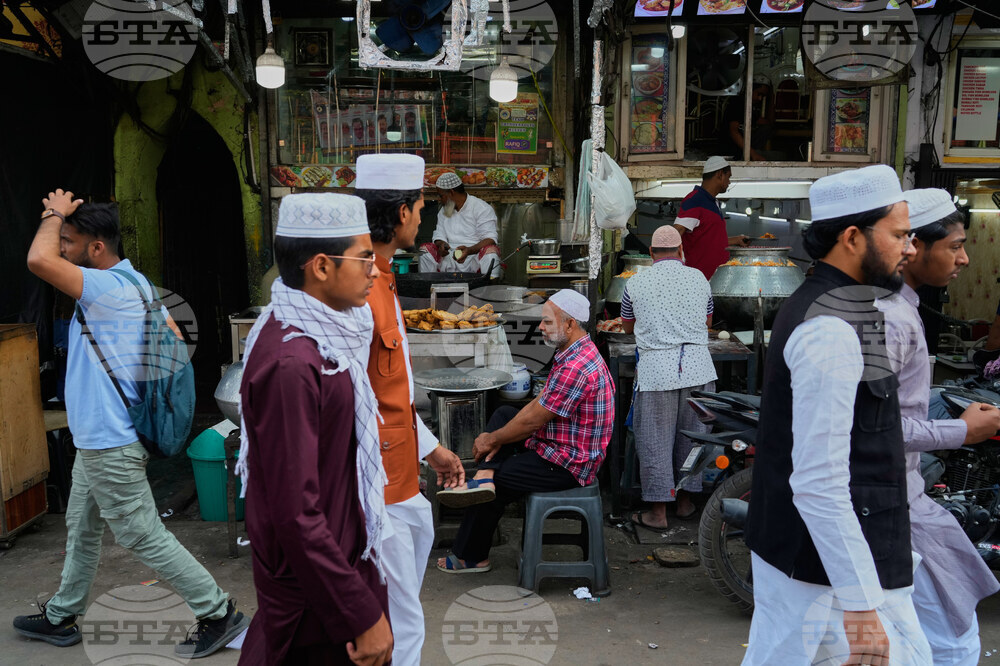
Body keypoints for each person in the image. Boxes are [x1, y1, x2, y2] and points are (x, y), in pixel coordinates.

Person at [15, 191, 248, 658]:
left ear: (96, 248)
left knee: (140, 533)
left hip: (110, 440)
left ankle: (217, 611)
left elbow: (37, 260)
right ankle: (62, 614)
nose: (61, 247)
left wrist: (52, 213)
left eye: (69, 240)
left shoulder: (107, 288)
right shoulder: (136, 283)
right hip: (100, 437)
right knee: (82, 527)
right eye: (61, 238)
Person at [742, 164, 932, 665]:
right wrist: (861, 604)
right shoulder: (828, 329)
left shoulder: (849, 306)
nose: (910, 249)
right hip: (828, 579)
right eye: (898, 235)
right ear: (852, 237)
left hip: (832, 565)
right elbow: (819, 481)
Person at [235, 193, 393, 665]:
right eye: (365, 258)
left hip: (339, 560)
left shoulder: (327, 335)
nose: (376, 271)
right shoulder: (293, 362)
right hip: (314, 591)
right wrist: (359, 612)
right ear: (320, 267)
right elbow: (296, 513)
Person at [877, 188, 1000, 665]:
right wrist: (962, 432)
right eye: (954, 246)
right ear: (912, 248)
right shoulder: (889, 317)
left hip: (903, 498)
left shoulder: (900, 309)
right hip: (892, 504)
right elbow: (875, 427)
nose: (965, 258)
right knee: (952, 640)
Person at [354, 154, 466, 666]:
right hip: (374, 482)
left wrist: (433, 448)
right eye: (420, 207)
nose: (424, 217)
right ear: (401, 212)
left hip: (399, 470)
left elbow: (389, 388)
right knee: (397, 622)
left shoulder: (384, 279)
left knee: (399, 612)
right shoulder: (361, 291)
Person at [434, 290, 614, 573]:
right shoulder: (574, 352)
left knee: (500, 482)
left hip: (569, 464)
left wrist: (492, 439)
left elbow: (534, 420)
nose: (540, 327)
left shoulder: (576, 367)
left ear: (569, 324)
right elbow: (538, 407)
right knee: (506, 413)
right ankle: (485, 476)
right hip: (558, 445)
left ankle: (471, 555)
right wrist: (498, 438)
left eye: (546, 322)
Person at [620, 225, 717, 529]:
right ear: (680, 251)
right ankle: (686, 503)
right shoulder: (699, 278)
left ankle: (658, 513)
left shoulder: (635, 283)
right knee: (693, 438)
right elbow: (708, 320)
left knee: (655, 441)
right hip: (698, 368)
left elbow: (626, 327)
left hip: (657, 372)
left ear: (651, 253)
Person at [673, 156, 749, 280]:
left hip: (715, 281)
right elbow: (676, 232)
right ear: (720, 174)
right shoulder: (695, 200)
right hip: (698, 282)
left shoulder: (713, 202)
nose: (729, 182)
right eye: (728, 176)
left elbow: (707, 238)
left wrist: (736, 240)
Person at [418, 172, 501, 278]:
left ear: (451, 193)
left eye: (441, 196)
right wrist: (442, 244)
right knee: (425, 250)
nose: (440, 199)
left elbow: (490, 238)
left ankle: (488, 289)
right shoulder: (445, 210)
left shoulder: (481, 208)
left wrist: (469, 250)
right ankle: (427, 287)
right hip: (449, 258)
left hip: (474, 259)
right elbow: (439, 234)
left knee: (491, 252)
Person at [724, 76, 774, 162]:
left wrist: (771, 99)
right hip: (731, 154)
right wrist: (753, 154)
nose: (760, 98)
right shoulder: (738, 103)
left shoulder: (752, 109)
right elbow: (733, 131)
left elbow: (769, 122)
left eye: (763, 96)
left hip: (744, 152)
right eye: (759, 94)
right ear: (750, 89)